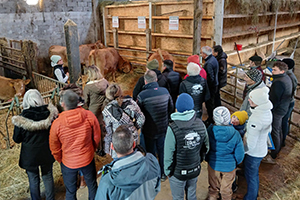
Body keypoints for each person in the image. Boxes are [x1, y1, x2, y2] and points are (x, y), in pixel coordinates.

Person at [49, 90, 101, 200]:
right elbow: (97, 136)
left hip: (68, 162)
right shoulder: (89, 116)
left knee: (71, 190)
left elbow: (54, 147)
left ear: (63, 104)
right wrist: (92, 149)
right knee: (92, 185)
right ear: (78, 102)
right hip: (87, 158)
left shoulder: (56, 124)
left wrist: (60, 159)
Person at [12, 89, 58, 200]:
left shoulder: (21, 119)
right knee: (47, 176)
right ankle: (50, 198)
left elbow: (16, 139)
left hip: (30, 155)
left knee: (33, 178)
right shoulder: (50, 114)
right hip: (46, 151)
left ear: (26, 101)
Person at [95, 125, 161, 200]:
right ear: (134, 144)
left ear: (112, 147)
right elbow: (156, 188)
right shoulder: (152, 162)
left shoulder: (107, 182)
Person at [164, 93, 209, 200]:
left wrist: (167, 171)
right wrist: (199, 160)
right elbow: (206, 146)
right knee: (192, 194)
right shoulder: (201, 124)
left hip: (178, 172)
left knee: (178, 197)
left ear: (177, 108)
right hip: (195, 168)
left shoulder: (172, 128)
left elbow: (168, 153)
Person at [137, 70, 174, 181]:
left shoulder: (142, 96)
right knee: (163, 151)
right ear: (156, 79)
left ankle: (154, 174)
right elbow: (171, 108)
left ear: (145, 81)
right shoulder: (165, 92)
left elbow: (139, 113)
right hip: (163, 128)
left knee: (151, 152)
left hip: (148, 130)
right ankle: (163, 173)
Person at [206, 106, 244, 200]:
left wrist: (208, 159)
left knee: (213, 188)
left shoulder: (209, 131)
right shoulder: (235, 134)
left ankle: (213, 197)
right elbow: (240, 154)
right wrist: (235, 163)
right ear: (228, 118)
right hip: (229, 166)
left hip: (213, 164)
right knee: (226, 189)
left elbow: (206, 148)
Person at [243, 87, 273, 200]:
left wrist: (243, 151)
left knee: (252, 176)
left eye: (251, 99)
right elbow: (269, 130)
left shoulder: (256, 119)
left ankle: (251, 197)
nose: (249, 100)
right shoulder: (267, 111)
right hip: (262, 148)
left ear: (257, 101)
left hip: (254, 153)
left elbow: (251, 143)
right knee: (252, 173)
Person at [102, 83, 145, 157]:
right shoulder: (131, 103)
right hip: (132, 136)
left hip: (118, 141)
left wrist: (107, 148)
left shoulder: (107, 111)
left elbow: (108, 131)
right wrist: (134, 127)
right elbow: (141, 118)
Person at [268, 61, 293, 161]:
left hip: (278, 110)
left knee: (275, 130)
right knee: (278, 129)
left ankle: (274, 152)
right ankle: (279, 145)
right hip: (284, 107)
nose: (272, 71)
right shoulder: (287, 77)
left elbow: (275, 99)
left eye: (275, 70)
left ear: (282, 71)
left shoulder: (278, 82)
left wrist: (270, 109)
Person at [83, 65, 109, 151]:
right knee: (103, 128)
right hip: (104, 109)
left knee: (95, 131)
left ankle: (98, 148)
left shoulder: (88, 87)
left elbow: (85, 101)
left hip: (93, 111)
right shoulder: (105, 82)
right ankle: (105, 148)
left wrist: (86, 109)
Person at [281, 58, 298, 147]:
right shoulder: (289, 75)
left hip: (287, 102)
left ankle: (283, 140)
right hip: (288, 101)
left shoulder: (289, 77)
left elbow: (289, 91)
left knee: (284, 121)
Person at [201, 46, 219, 127]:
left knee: (209, 104)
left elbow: (210, 77)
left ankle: (210, 120)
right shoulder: (213, 59)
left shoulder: (208, 63)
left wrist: (207, 86)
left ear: (205, 54)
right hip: (215, 84)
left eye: (202, 53)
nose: (201, 54)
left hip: (211, 86)